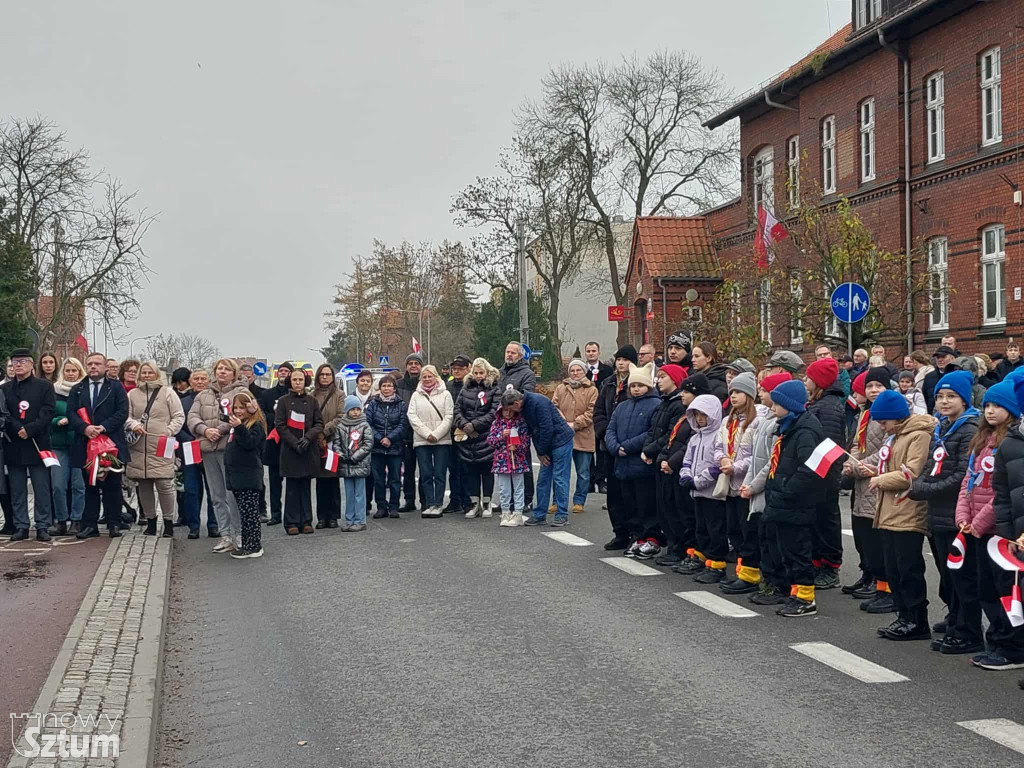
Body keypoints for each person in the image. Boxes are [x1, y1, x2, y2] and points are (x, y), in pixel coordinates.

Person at [908, 371, 978, 646]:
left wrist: (923, 489)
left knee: (962, 575)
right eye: (940, 396)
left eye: (951, 396)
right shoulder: (942, 428)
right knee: (947, 572)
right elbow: (931, 465)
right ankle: (955, 618)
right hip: (936, 513)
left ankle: (966, 630)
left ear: (964, 399)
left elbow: (962, 474)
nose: (945, 401)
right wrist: (918, 482)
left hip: (954, 514)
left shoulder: (969, 428)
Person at [946, 382, 1015, 658]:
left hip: (995, 527)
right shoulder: (980, 440)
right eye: (987, 405)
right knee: (983, 587)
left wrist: (981, 520)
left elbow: (1000, 491)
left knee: (1002, 589)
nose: (990, 411)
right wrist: (962, 514)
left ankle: (1006, 641)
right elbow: (969, 481)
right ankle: (995, 637)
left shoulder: (1008, 443)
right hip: (975, 526)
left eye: (997, 406)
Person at [867, 389, 935, 640]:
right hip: (889, 511)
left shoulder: (917, 436)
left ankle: (917, 620)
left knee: (908, 569)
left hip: (907, 511)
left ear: (896, 417)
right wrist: (875, 469)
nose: (881, 427)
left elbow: (912, 473)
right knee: (893, 568)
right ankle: (903, 615)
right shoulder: (895, 436)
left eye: (884, 421)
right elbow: (894, 467)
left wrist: (881, 478)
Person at [760, 379, 826, 617]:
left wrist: (786, 488)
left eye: (777, 404)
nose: (772, 408)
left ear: (790, 405)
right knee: (788, 549)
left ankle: (805, 597)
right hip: (784, 502)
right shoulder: (791, 427)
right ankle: (795, 593)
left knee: (798, 550)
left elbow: (810, 469)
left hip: (796, 503)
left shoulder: (805, 431)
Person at [978, 378, 1024, 669]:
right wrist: (1009, 533)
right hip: (1014, 536)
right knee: (1010, 592)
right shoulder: (1012, 443)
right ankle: (1012, 647)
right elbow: (1002, 493)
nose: (991, 411)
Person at [841, 371, 892, 612]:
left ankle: (880, 581)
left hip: (874, 480)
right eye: (869, 386)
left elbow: (885, 449)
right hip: (859, 482)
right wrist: (849, 462)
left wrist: (859, 466)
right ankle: (867, 573)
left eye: (878, 385)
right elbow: (856, 444)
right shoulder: (865, 414)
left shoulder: (887, 415)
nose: (873, 390)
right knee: (861, 534)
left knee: (875, 538)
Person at [740, 371, 791, 605]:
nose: (760, 393)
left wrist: (754, 485)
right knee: (762, 537)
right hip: (756, 488)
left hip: (766, 490)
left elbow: (772, 461)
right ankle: (767, 581)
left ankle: (777, 585)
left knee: (773, 540)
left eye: (764, 390)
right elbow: (755, 457)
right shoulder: (766, 420)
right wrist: (747, 482)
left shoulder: (777, 425)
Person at [188, 358, 250, 551]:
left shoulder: (242, 392)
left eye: (226, 369)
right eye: (219, 369)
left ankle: (238, 533)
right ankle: (225, 535)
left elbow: (243, 415)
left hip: (230, 449)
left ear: (234, 373)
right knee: (216, 495)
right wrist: (204, 430)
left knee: (232, 494)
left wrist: (220, 430)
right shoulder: (204, 394)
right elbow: (192, 416)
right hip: (208, 449)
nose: (222, 372)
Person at [68, 352, 131, 539]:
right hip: (85, 444)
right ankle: (90, 525)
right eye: (89, 364)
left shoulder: (116, 388)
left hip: (111, 444)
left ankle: (114, 523)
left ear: (105, 367)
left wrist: (103, 427)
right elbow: (71, 413)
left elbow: (122, 412)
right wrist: (85, 428)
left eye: (97, 364)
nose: (93, 367)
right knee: (90, 486)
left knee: (113, 485)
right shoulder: (78, 388)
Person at [605, 363, 661, 554]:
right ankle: (637, 536)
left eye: (640, 385)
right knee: (629, 504)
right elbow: (610, 429)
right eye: (633, 386)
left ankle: (651, 537)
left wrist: (627, 446)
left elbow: (651, 433)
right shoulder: (622, 406)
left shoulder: (656, 405)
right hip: (623, 465)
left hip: (641, 464)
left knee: (646, 503)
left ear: (648, 386)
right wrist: (615, 446)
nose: (636, 389)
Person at [715, 372, 762, 594]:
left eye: (738, 392)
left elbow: (758, 455)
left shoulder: (757, 422)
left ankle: (750, 574)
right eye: (731, 392)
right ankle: (741, 572)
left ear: (750, 395)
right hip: (730, 484)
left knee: (748, 530)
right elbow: (718, 446)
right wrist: (722, 459)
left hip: (746, 485)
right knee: (733, 529)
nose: (733, 396)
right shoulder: (727, 421)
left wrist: (736, 466)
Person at [2, 348, 56, 541]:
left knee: (41, 487)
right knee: (17, 488)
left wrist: (30, 429)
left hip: (38, 442)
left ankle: (42, 525)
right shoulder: (5, 389)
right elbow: (5, 413)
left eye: (23, 361)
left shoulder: (45, 386)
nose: (18, 365)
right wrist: (17, 428)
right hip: (14, 443)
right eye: (15, 361)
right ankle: (21, 525)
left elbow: (48, 411)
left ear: (32, 364)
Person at [125, 361, 185, 537]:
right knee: (143, 484)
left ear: (156, 374)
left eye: (149, 372)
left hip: (161, 443)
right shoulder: (132, 394)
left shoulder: (167, 393)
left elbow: (179, 416)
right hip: (139, 445)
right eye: (143, 373)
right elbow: (126, 416)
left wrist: (168, 431)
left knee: (164, 484)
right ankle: (150, 521)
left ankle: (168, 522)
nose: (146, 375)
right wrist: (133, 424)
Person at [804, 357, 847, 589]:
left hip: (824, 475)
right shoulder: (819, 403)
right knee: (817, 520)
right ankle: (818, 562)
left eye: (809, 377)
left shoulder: (829, 407)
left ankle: (830, 566)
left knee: (826, 520)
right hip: (817, 474)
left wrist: (815, 474)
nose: (805, 380)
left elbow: (828, 445)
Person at [644, 364, 688, 566]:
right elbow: (654, 430)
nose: (658, 380)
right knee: (663, 507)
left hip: (670, 462)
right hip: (660, 459)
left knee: (673, 507)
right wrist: (648, 449)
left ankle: (678, 548)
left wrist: (655, 452)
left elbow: (670, 436)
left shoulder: (678, 405)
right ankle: (671, 545)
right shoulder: (664, 403)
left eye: (663, 377)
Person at [594, 345, 637, 548]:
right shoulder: (608, 384)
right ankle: (619, 532)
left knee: (630, 494)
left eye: (625, 359)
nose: (621, 363)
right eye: (618, 359)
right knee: (614, 494)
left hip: (628, 447)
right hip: (609, 446)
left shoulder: (637, 383)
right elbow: (599, 412)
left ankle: (635, 534)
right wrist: (604, 433)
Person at [679, 393, 727, 581]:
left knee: (716, 529)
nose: (699, 419)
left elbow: (717, 465)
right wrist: (685, 475)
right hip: (697, 492)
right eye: (696, 415)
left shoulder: (718, 436)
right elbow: (687, 460)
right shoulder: (695, 438)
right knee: (701, 527)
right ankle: (703, 557)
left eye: (703, 415)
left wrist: (698, 480)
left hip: (713, 492)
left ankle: (717, 564)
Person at [511, 387, 574, 527]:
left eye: (510, 408)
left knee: (559, 478)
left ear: (516, 403)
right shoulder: (526, 406)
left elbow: (547, 428)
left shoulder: (538, 402)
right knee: (543, 480)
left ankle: (562, 515)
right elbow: (534, 430)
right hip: (548, 443)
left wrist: (541, 451)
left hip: (561, 441)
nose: (511, 412)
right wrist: (541, 451)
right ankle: (540, 515)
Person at [275, 367, 323, 535]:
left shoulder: (312, 401)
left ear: (305, 381)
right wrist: (294, 442)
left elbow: (319, 423)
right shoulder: (283, 401)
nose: (297, 383)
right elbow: (279, 425)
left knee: (305, 486)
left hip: (307, 448)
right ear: (290, 381)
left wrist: (308, 438)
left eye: (300, 380)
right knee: (292, 487)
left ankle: (307, 520)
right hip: (290, 450)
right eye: (294, 380)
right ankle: (291, 522)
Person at [454, 357, 501, 519]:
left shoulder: (494, 388)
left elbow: (494, 412)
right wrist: (465, 424)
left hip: (486, 435)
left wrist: (475, 425)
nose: (479, 376)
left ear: (487, 372)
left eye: (481, 373)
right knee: (470, 471)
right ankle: (474, 504)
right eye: (476, 373)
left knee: (487, 471)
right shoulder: (465, 388)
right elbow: (457, 409)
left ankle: (487, 503)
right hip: (467, 436)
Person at [223, 390, 266, 559]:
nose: (238, 411)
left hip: (249, 475)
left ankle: (255, 545)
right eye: (236, 407)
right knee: (244, 513)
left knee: (250, 513)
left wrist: (240, 427)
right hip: (237, 476)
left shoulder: (255, 425)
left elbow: (250, 443)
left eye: (242, 407)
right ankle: (247, 544)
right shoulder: (238, 425)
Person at [551, 359, 598, 515]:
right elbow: (554, 406)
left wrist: (575, 423)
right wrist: (562, 422)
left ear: (584, 372)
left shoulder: (592, 390)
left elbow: (592, 412)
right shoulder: (560, 388)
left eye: (578, 370)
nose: (575, 373)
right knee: (560, 472)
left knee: (583, 472)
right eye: (572, 370)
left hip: (583, 435)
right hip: (563, 436)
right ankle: (557, 501)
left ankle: (579, 500)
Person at [407, 364, 453, 517]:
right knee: (425, 474)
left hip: (442, 440)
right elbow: (412, 416)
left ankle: (438, 504)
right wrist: (427, 434)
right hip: (422, 440)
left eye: (430, 376)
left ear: (436, 377)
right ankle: (429, 503)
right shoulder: (415, 395)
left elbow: (449, 417)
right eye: (424, 377)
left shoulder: (446, 394)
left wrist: (437, 434)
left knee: (439, 473)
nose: (427, 379)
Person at [50, 357, 87, 535]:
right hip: (58, 444)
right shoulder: (53, 391)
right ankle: (61, 520)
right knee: (58, 485)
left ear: (80, 372)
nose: (71, 374)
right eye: (68, 370)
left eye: (74, 371)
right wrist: (57, 421)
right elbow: (45, 416)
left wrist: (75, 423)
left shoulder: (84, 390)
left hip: (78, 443)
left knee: (78, 484)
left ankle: (77, 520)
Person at [498, 342, 537, 508]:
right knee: (504, 461)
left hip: (519, 424)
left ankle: (525, 499)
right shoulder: (499, 373)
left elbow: (527, 395)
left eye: (513, 353)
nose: (509, 355)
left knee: (521, 460)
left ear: (520, 355)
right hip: (502, 422)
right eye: (507, 352)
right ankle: (507, 500)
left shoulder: (527, 374)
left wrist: (511, 402)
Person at [365, 374, 408, 519]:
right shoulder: (373, 404)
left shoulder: (401, 404)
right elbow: (368, 424)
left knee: (395, 479)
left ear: (394, 388)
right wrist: (380, 438)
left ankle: (394, 506)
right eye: (384, 385)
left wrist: (389, 438)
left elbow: (403, 424)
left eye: (389, 385)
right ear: (380, 388)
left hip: (395, 447)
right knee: (378, 480)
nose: (387, 388)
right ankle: (381, 507)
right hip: (377, 448)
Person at [171, 367, 205, 539]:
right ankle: (193, 525)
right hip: (189, 448)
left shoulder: (216, 400)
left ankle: (214, 525)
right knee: (191, 488)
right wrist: (191, 440)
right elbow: (177, 425)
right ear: (190, 381)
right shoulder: (182, 402)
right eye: (196, 379)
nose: (199, 382)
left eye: (203, 379)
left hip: (210, 447)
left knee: (214, 489)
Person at [490, 391, 532, 527]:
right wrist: (502, 436)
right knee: (504, 489)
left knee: (519, 487)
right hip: (502, 461)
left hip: (518, 460)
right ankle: (506, 512)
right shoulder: (496, 424)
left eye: (509, 411)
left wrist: (517, 446)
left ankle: (518, 512)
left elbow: (526, 441)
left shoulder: (520, 423)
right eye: (504, 411)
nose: (507, 414)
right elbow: (491, 441)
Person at [333, 394, 373, 532]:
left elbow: (368, 444)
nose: (355, 412)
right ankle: (349, 520)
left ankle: (360, 520)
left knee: (359, 494)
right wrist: (341, 455)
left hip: (359, 464)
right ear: (347, 410)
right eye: (352, 409)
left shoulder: (364, 425)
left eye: (358, 409)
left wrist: (355, 457)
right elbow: (336, 443)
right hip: (346, 465)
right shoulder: (341, 426)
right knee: (349, 494)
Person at [260, 361, 294, 525]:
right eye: (281, 370)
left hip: (291, 442)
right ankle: (275, 514)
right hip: (274, 442)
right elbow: (262, 415)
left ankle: (291, 513)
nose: (283, 373)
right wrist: (279, 420)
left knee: (293, 481)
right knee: (274, 482)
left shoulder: (295, 394)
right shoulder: (267, 394)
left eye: (287, 371)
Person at [312, 363, 343, 528]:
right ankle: (321, 517)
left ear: (332, 377)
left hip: (332, 441)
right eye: (322, 374)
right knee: (320, 481)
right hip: (316, 443)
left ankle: (333, 516)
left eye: (328, 375)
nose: (325, 377)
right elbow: (309, 417)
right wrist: (317, 434)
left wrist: (324, 432)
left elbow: (341, 416)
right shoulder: (312, 395)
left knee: (332, 480)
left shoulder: (339, 395)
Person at [396, 353, 424, 513]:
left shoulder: (426, 383)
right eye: (410, 363)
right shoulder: (399, 385)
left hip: (423, 433)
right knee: (408, 469)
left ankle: (425, 500)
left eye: (417, 363)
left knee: (425, 469)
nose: (414, 366)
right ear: (406, 366)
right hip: (405, 434)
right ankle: (409, 500)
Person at [445, 356, 471, 514]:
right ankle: (455, 500)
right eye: (454, 368)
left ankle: (468, 500)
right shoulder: (448, 385)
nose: (456, 371)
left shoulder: (472, 385)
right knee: (453, 468)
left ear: (468, 368)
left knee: (467, 468)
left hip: (467, 430)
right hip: (451, 431)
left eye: (460, 368)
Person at [923, 345, 958, 412]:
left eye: (943, 357)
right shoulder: (928, 377)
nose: (940, 360)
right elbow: (926, 398)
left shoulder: (958, 376)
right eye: (938, 357)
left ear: (952, 358)